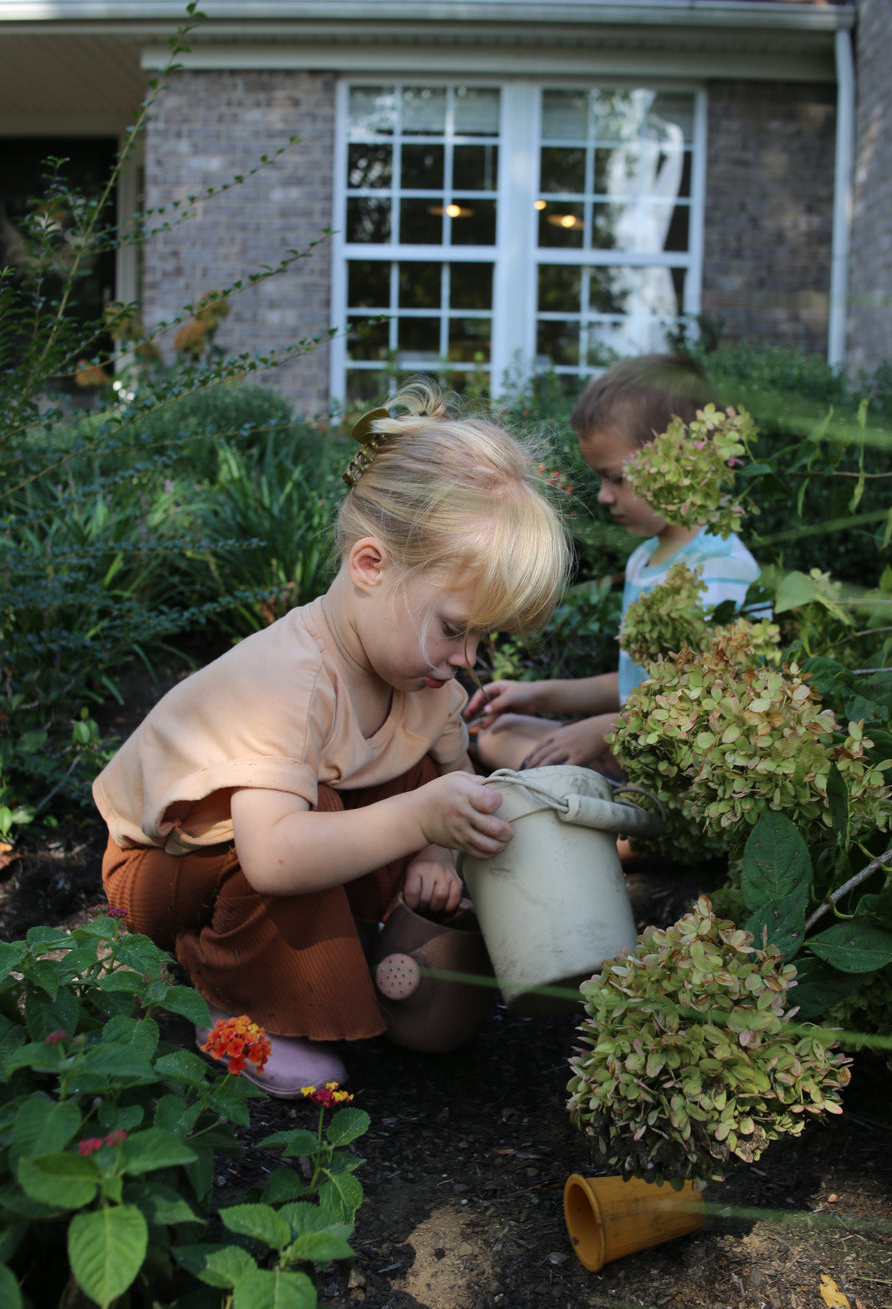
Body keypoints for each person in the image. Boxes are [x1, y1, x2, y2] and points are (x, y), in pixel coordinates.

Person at [93, 381, 570, 1097]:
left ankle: (335, 958)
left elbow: (452, 774)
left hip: (268, 848)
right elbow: (276, 857)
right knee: (314, 803)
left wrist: (436, 845)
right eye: (454, 627)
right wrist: (415, 820)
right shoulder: (288, 681)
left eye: (482, 636)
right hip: (165, 871)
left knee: (405, 782)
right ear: (371, 566)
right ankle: (230, 1001)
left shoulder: (426, 685)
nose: (469, 657)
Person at [466, 352, 761, 777]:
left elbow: (716, 708)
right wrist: (535, 694)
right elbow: (629, 686)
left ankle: (615, 824)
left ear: (681, 460)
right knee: (502, 728)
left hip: (690, 760)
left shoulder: (719, 566)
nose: (604, 496)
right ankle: (596, 806)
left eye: (616, 478)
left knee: (513, 747)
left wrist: (604, 731)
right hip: (636, 739)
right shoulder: (647, 558)